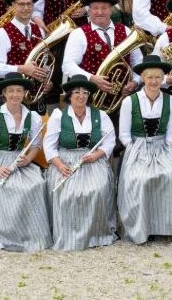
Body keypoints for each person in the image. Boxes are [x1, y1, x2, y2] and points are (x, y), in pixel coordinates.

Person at [0, 73, 50, 251]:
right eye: (11, 91)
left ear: (24, 93)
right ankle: (4, 234)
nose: (15, 94)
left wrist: (28, 160)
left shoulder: (32, 116)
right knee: (8, 188)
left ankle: (31, 234)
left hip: (20, 161)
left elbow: (35, 145)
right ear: (4, 93)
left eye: (19, 90)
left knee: (37, 184)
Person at [42, 75, 117, 252]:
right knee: (67, 193)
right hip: (65, 160)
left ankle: (95, 233)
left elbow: (109, 142)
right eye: (77, 92)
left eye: (85, 92)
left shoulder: (101, 115)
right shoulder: (59, 116)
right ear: (69, 95)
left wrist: (97, 155)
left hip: (93, 161)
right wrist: (59, 165)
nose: (81, 96)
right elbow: (49, 145)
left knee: (97, 189)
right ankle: (67, 234)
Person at [116, 55, 172, 244]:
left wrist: (167, 150)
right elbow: (124, 135)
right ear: (143, 78)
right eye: (150, 77)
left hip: (162, 146)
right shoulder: (130, 101)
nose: (154, 81)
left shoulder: (171, 101)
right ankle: (141, 226)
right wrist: (135, 150)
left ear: (163, 79)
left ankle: (163, 226)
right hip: (137, 147)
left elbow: (171, 133)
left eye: (157, 77)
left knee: (169, 174)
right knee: (139, 178)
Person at [61, 0, 143, 98]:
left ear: (111, 10)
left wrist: (135, 82)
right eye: (95, 8)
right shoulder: (78, 34)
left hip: (124, 98)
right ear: (89, 11)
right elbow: (68, 65)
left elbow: (138, 62)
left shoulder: (126, 31)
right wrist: (91, 78)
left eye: (104, 8)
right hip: (91, 98)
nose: (99, 12)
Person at [0, 0, 46, 105]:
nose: (26, 8)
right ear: (12, 6)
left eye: (29, 4)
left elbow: (44, 61)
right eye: (21, 4)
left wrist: (45, 79)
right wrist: (22, 69)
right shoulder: (2, 33)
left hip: (35, 96)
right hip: (10, 99)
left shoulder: (40, 30)